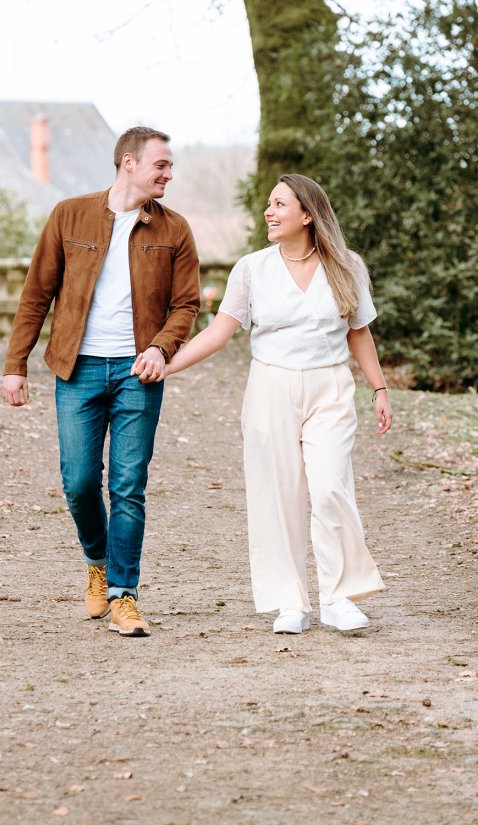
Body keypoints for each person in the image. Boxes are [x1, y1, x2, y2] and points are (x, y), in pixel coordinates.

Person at [133, 173, 392, 634]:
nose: (269, 213)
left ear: (308, 215)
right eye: (269, 205)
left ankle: (340, 597)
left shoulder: (347, 265)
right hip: (270, 388)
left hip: (330, 388)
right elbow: (218, 332)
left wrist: (379, 388)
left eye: (279, 205)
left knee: (332, 488)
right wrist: (167, 363)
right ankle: (289, 602)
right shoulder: (252, 268)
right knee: (278, 495)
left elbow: (359, 332)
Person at [2, 126, 200, 638]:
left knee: (129, 486)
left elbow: (187, 305)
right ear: (129, 163)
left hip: (139, 371)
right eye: (162, 164)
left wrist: (161, 346)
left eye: (170, 166)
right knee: (80, 483)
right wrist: (14, 364)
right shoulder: (70, 214)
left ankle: (123, 594)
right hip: (77, 369)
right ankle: (97, 559)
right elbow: (36, 293)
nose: (169, 173)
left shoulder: (174, 229)